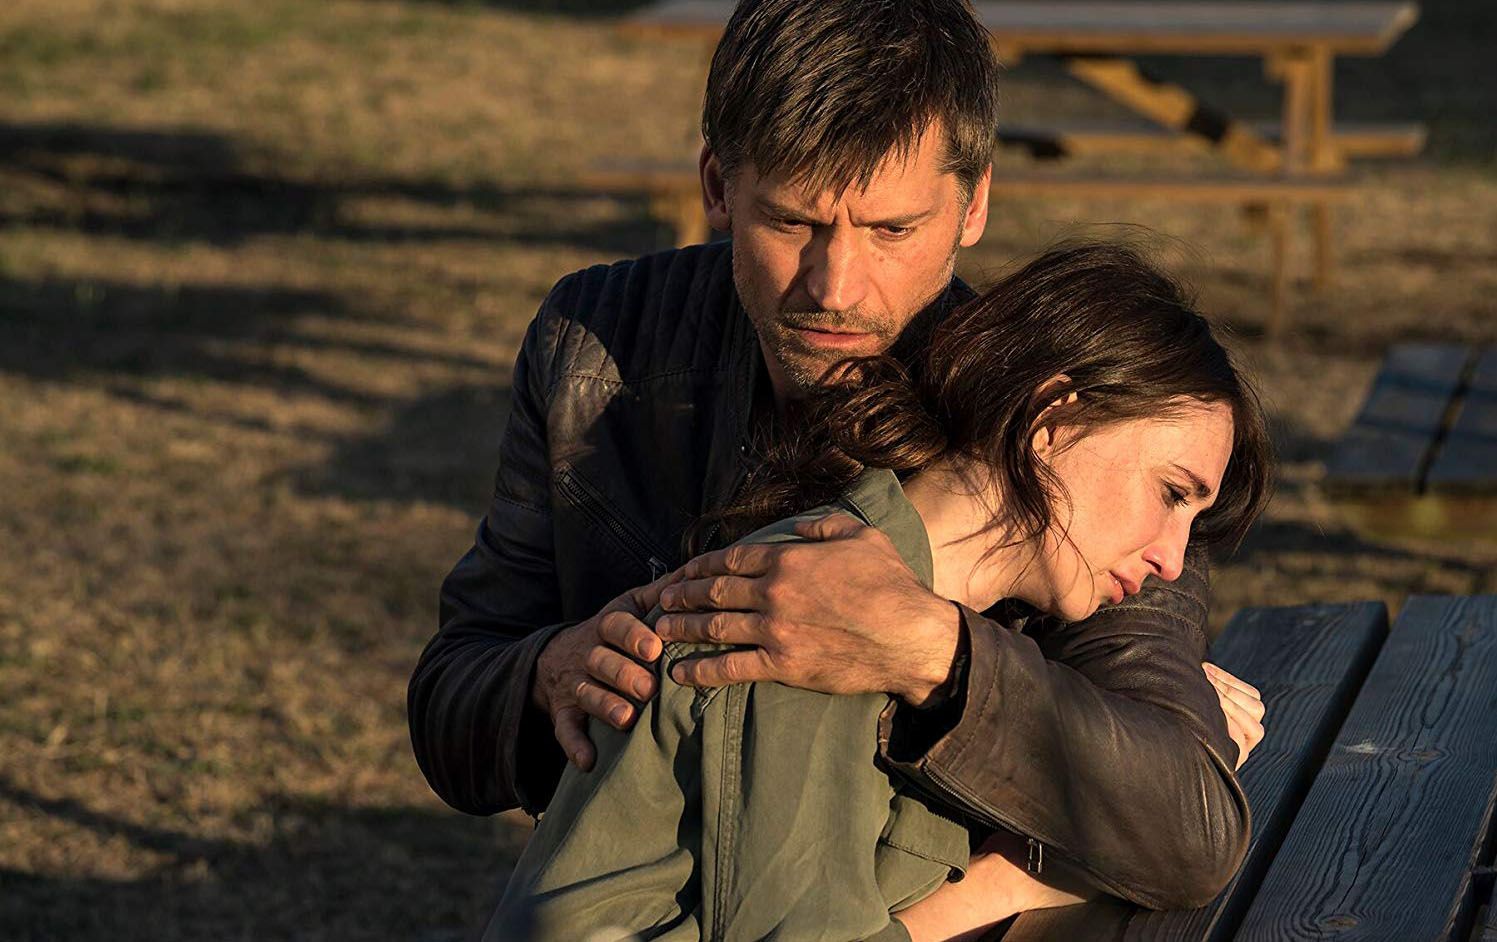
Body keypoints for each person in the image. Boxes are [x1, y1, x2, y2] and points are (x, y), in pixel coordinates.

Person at [409, 0, 1267, 919]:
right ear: (717, 186)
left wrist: (932, 652)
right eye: (791, 222)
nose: (834, 287)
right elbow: (451, 705)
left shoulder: (1050, 430)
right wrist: (549, 673)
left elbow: (1186, 831)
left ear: (973, 204)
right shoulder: (597, 340)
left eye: (892, 230)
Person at [487, 242, 1274, 941]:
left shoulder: (941, 603)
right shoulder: (808, 611)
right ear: (1053, 420)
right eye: (1171, 493)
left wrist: (1119, 760)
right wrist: (1018, 877)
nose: (1172, 559)